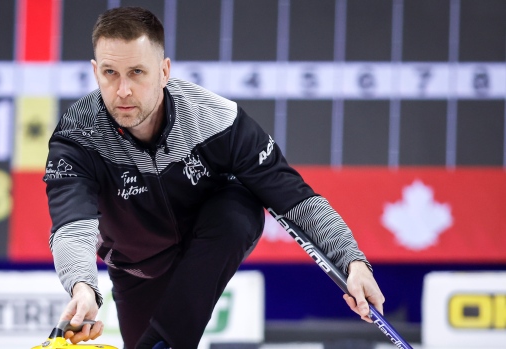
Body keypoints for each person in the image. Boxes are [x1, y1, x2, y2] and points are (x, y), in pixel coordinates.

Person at [44, 6, 384, 349]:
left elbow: (295, 199)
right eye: (110, 73)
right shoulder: (76, 137)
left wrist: (352, 262)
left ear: (164, 71)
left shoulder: (219, 121)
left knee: (240, 207)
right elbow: (72, 226)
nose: (123, 90)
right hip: (137, 269)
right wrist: (83, 287)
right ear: (95, 72)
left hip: (207, 245)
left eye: (136, 72)